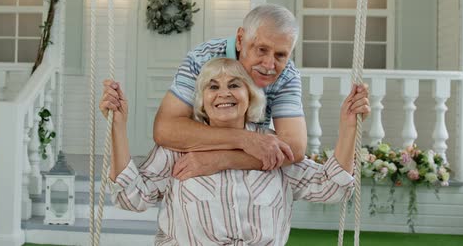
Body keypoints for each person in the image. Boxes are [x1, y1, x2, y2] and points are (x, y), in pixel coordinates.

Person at [100, 58, 370, 246]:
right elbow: (130, 197)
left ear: (251, 96)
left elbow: (332, 188)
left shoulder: (271, 146)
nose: (223, 93)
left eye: (234, 84)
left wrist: (348, 127)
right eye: (213, 86)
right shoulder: (177, 149)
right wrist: (118, 127)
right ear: (203, 101)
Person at [156, 4, 305, 176]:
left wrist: (223, 160)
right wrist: (245, 140)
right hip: (193, 172)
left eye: (280, 55)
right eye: (261, 50)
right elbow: (165, 129)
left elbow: (295, 147)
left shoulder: (287, 74)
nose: (269, 65)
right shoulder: (202, 58)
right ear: (240, 39)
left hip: (249, 178)